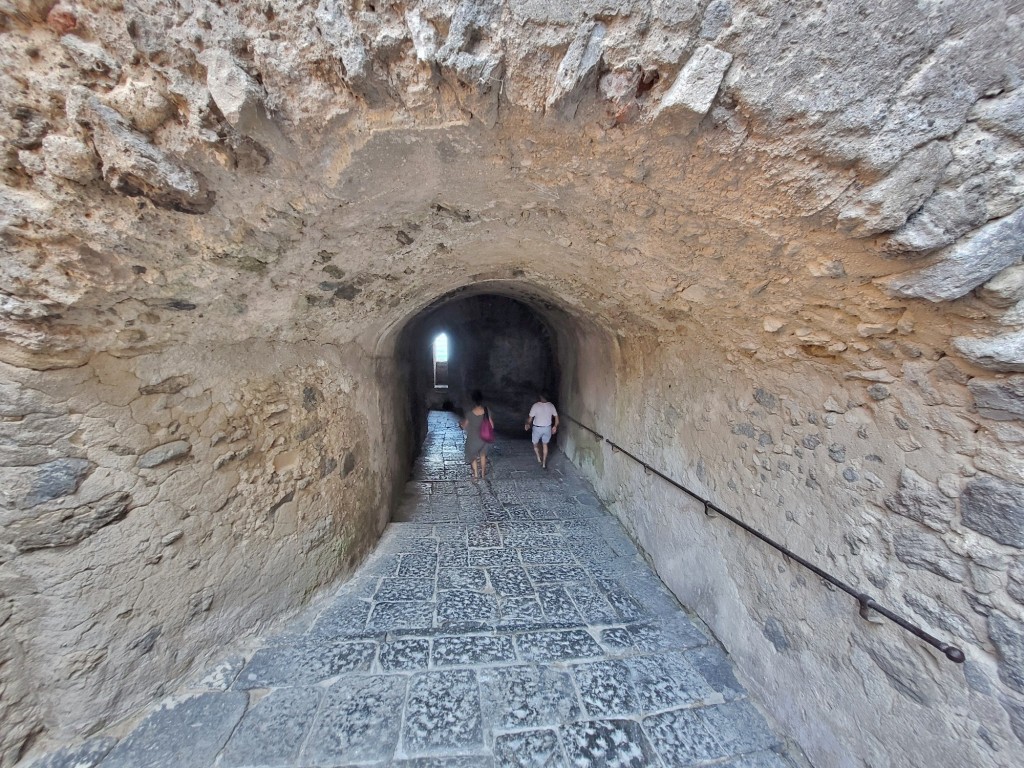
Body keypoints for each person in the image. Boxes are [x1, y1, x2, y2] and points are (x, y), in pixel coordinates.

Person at [460, 390, 495, 480]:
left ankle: (476, 475)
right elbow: (492, 425)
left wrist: (460, 424)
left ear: (473, 400)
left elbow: (464, 426)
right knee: (483, 455)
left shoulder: (469, 413)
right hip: (484, 437)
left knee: (473, 456)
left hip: (473, 438)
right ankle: (483, 474)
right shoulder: (487, 411)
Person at [525, 392, 559, 469]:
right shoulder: (551, 405)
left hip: (537, 428)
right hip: (547, 428)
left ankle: (538, 457)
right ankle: (544, 464)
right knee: (545, 445)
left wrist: (527, 424)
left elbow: (530, 419)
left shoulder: (535, 406)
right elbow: (557, 418)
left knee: (535, 444)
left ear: (540, 396)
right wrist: (555, 426)